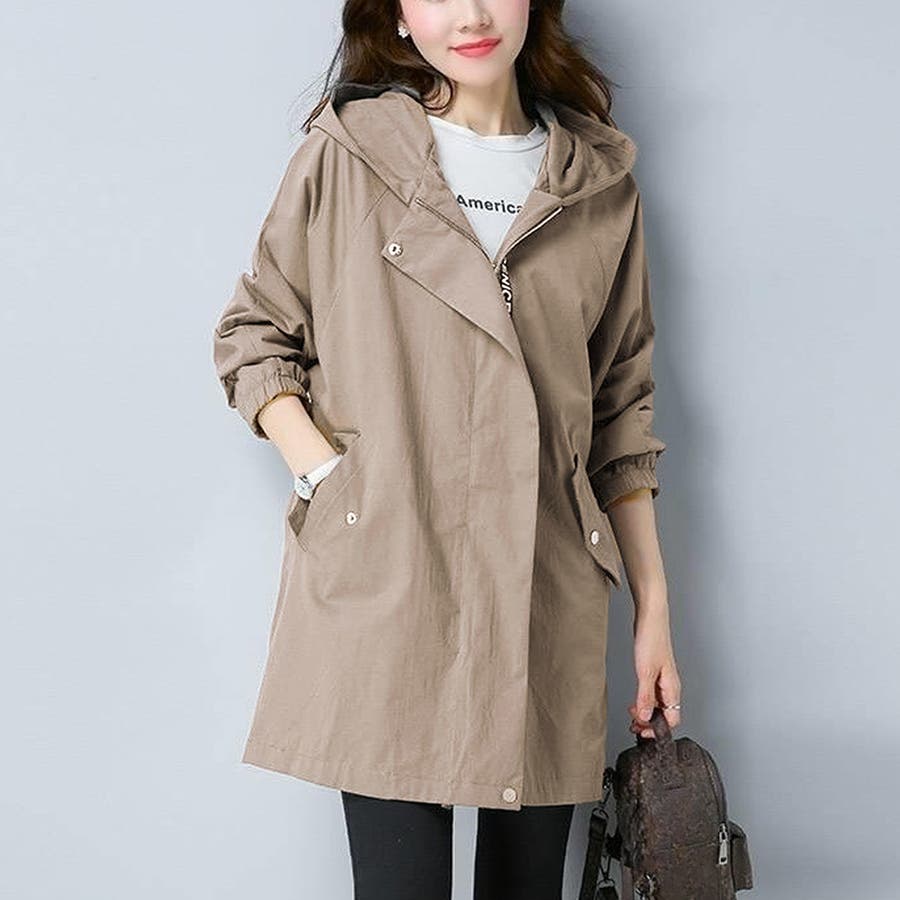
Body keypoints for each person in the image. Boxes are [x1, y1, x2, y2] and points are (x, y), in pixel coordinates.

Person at [212, 1, 682, 897]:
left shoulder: (598, 183)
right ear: (396, 15)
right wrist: (330, 476)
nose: (469, 14)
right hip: (390, 578)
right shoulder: (350, 154)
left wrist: (654, 609)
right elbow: (254, 333)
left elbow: (621, 409)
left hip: (544, 585)